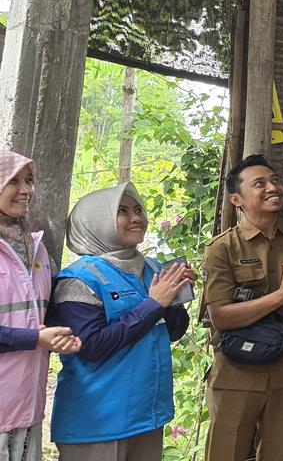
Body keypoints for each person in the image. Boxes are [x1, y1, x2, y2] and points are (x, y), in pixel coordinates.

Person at [50, 183, 194, 460]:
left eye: (138, 209)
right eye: (123, 211)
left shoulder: (153, 267)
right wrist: (154, 304)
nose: (136, 218)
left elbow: (174, 332)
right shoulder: (79, 278)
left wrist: (175, 299)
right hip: (98, 422)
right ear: (97, 221)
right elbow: (90, 346)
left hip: (149, 414)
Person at [202, 154, 283, 461]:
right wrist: (281, 296)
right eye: (260, 183)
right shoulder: (223, 248)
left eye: (275, 180)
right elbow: (220, 316)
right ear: (236, 198)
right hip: (236, 371)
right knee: (225, 454)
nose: (273, 187)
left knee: (280, 454)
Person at [0, 152, 79, 461]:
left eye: (29, 180)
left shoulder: (36, 248)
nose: (26, 190)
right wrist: (36, 339)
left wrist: (62, 336)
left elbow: (43, 311)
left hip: (26, 403)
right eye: (14, 181)